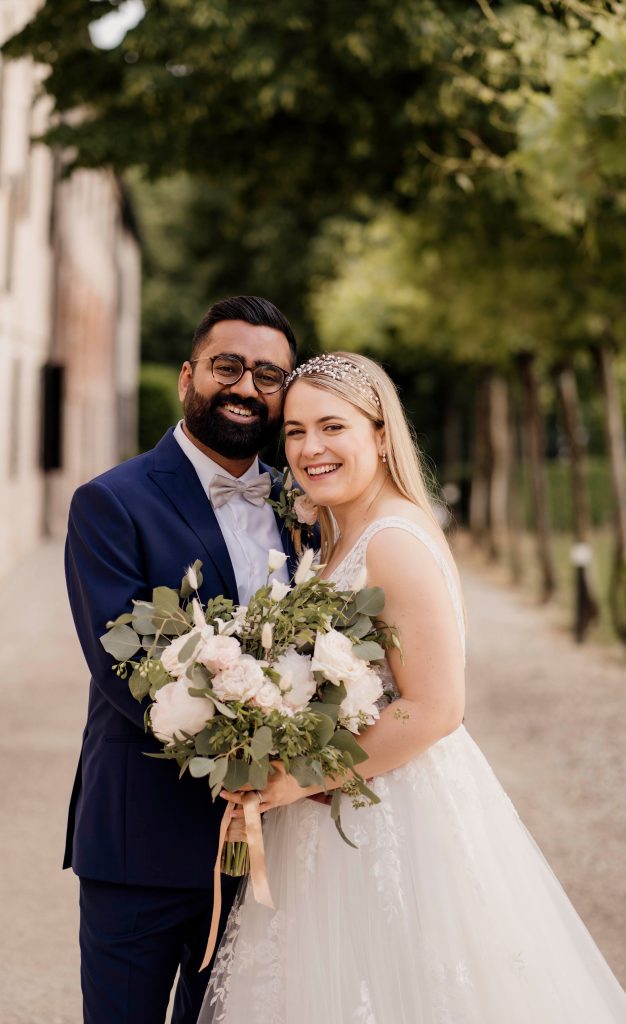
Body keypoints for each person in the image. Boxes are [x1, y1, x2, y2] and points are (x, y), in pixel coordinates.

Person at [199, 352, 626, 1024]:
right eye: (295, 431)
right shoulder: (335, 534)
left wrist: (296, 778)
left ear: (379, 433)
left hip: (391, 816)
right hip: (331, 813)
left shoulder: (394, 540)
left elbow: (436, 708)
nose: (310, 448)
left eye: (332, 426)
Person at [63, 296, 298, 1024]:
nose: (246, 386)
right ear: (187, 376)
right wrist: (250, 752)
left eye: (268, 374)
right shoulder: (111, 502)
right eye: (228, 366)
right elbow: (128, 670)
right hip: (144, 839)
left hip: (279, 845)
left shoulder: (307, 502)